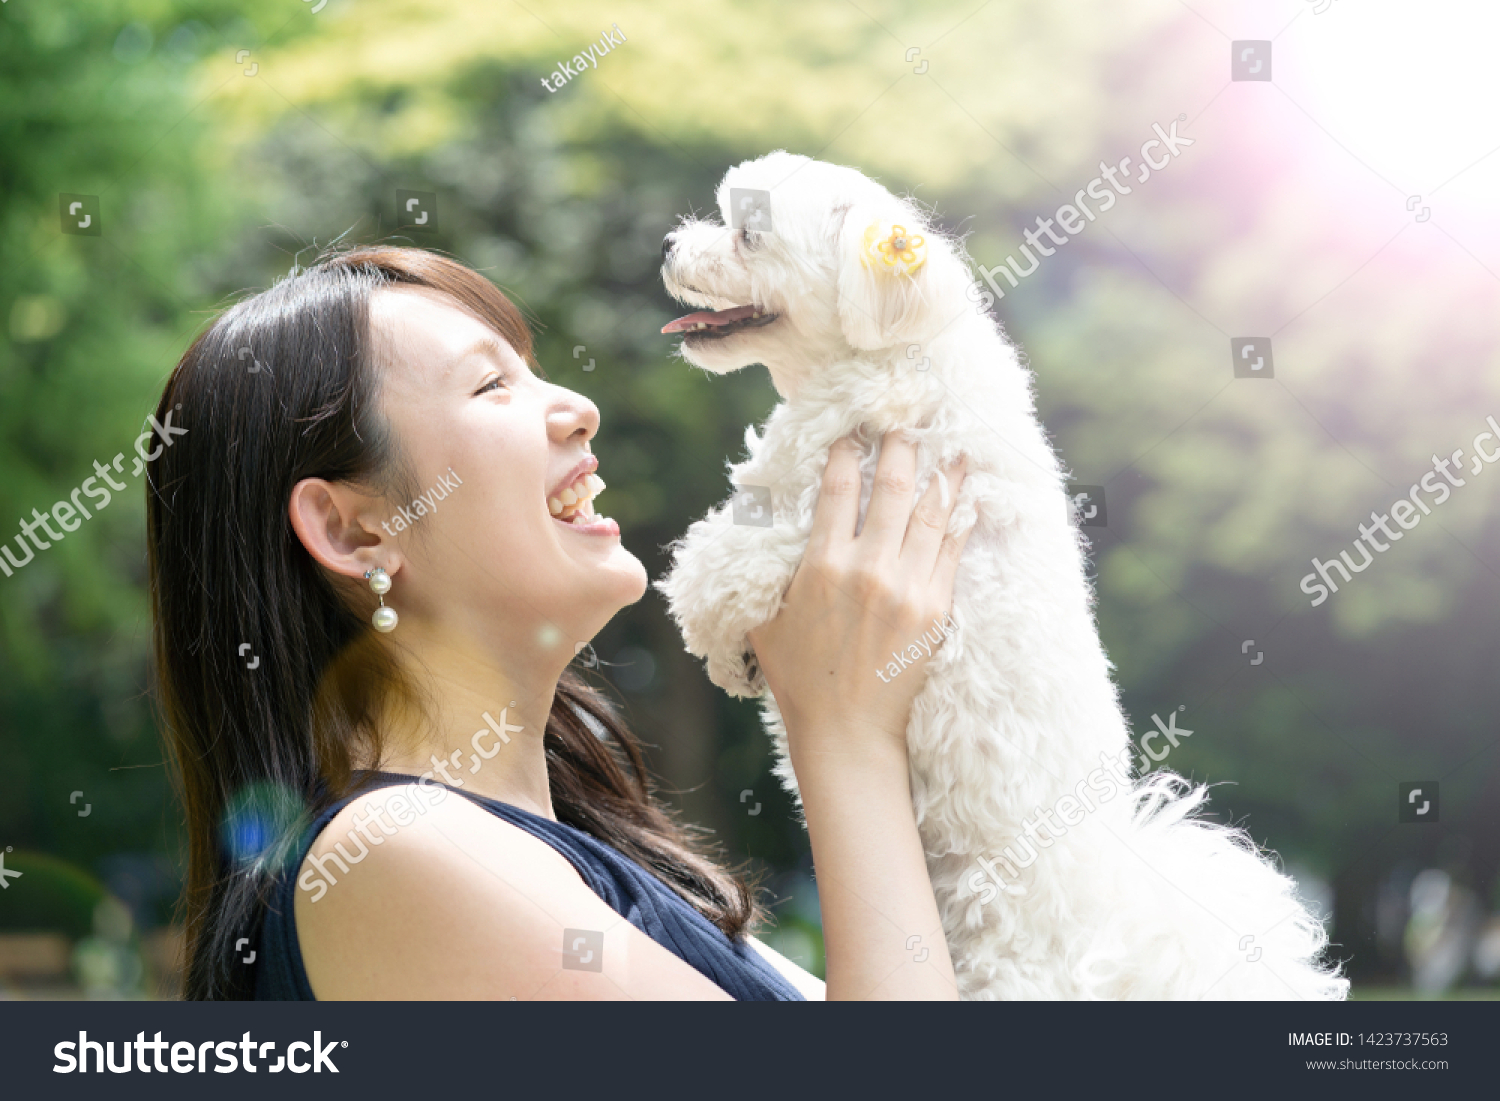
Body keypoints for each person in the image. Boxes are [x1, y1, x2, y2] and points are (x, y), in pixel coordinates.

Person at [147, 245, 971, 1000]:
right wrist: (844, 733)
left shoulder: (575, 852)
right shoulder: (395, 857)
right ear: (355, 530)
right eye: (490, 385)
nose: (579, 408)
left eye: (533, 373)